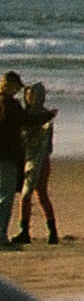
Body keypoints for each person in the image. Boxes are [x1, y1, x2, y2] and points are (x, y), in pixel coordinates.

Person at [11, 84, 53, 245]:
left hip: (40, 159)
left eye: (32, 95)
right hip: (28, 159)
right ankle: (26, 230)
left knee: (36, 195)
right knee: (29, 195)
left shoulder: (43, 116)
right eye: (28, 95)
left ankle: (47, 230)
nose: (29, 98)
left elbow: (46, 144)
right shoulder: (25, 115)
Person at [0, 72, 21, 246]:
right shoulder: (11, 105)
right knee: (5, 197)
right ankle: (0, 237)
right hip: (7, 156)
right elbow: (26, 121)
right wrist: (47, 116)